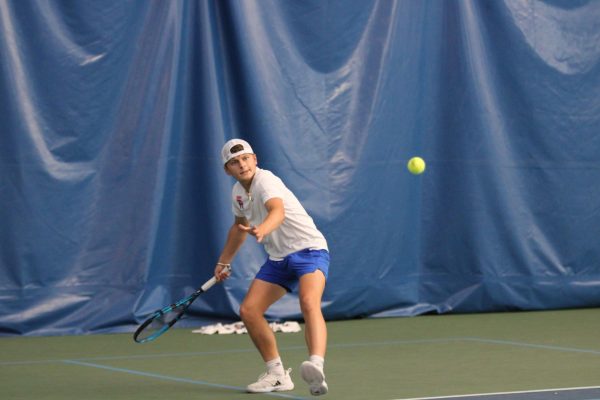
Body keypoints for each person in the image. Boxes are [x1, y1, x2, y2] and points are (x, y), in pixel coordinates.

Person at [214, 138, 330, 396]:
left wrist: (263, 228)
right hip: (279, 258)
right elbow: (238, 228)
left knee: (309, 302)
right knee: (249, 310)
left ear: (255, 159)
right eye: (234, 162)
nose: (242, 164)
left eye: (245, 158)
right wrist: (224, 261)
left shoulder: (266, 181)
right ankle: (277, 374)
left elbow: (277, 211)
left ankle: (316, 366)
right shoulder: (237, 193)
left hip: (309, 250)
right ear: (227, 169)